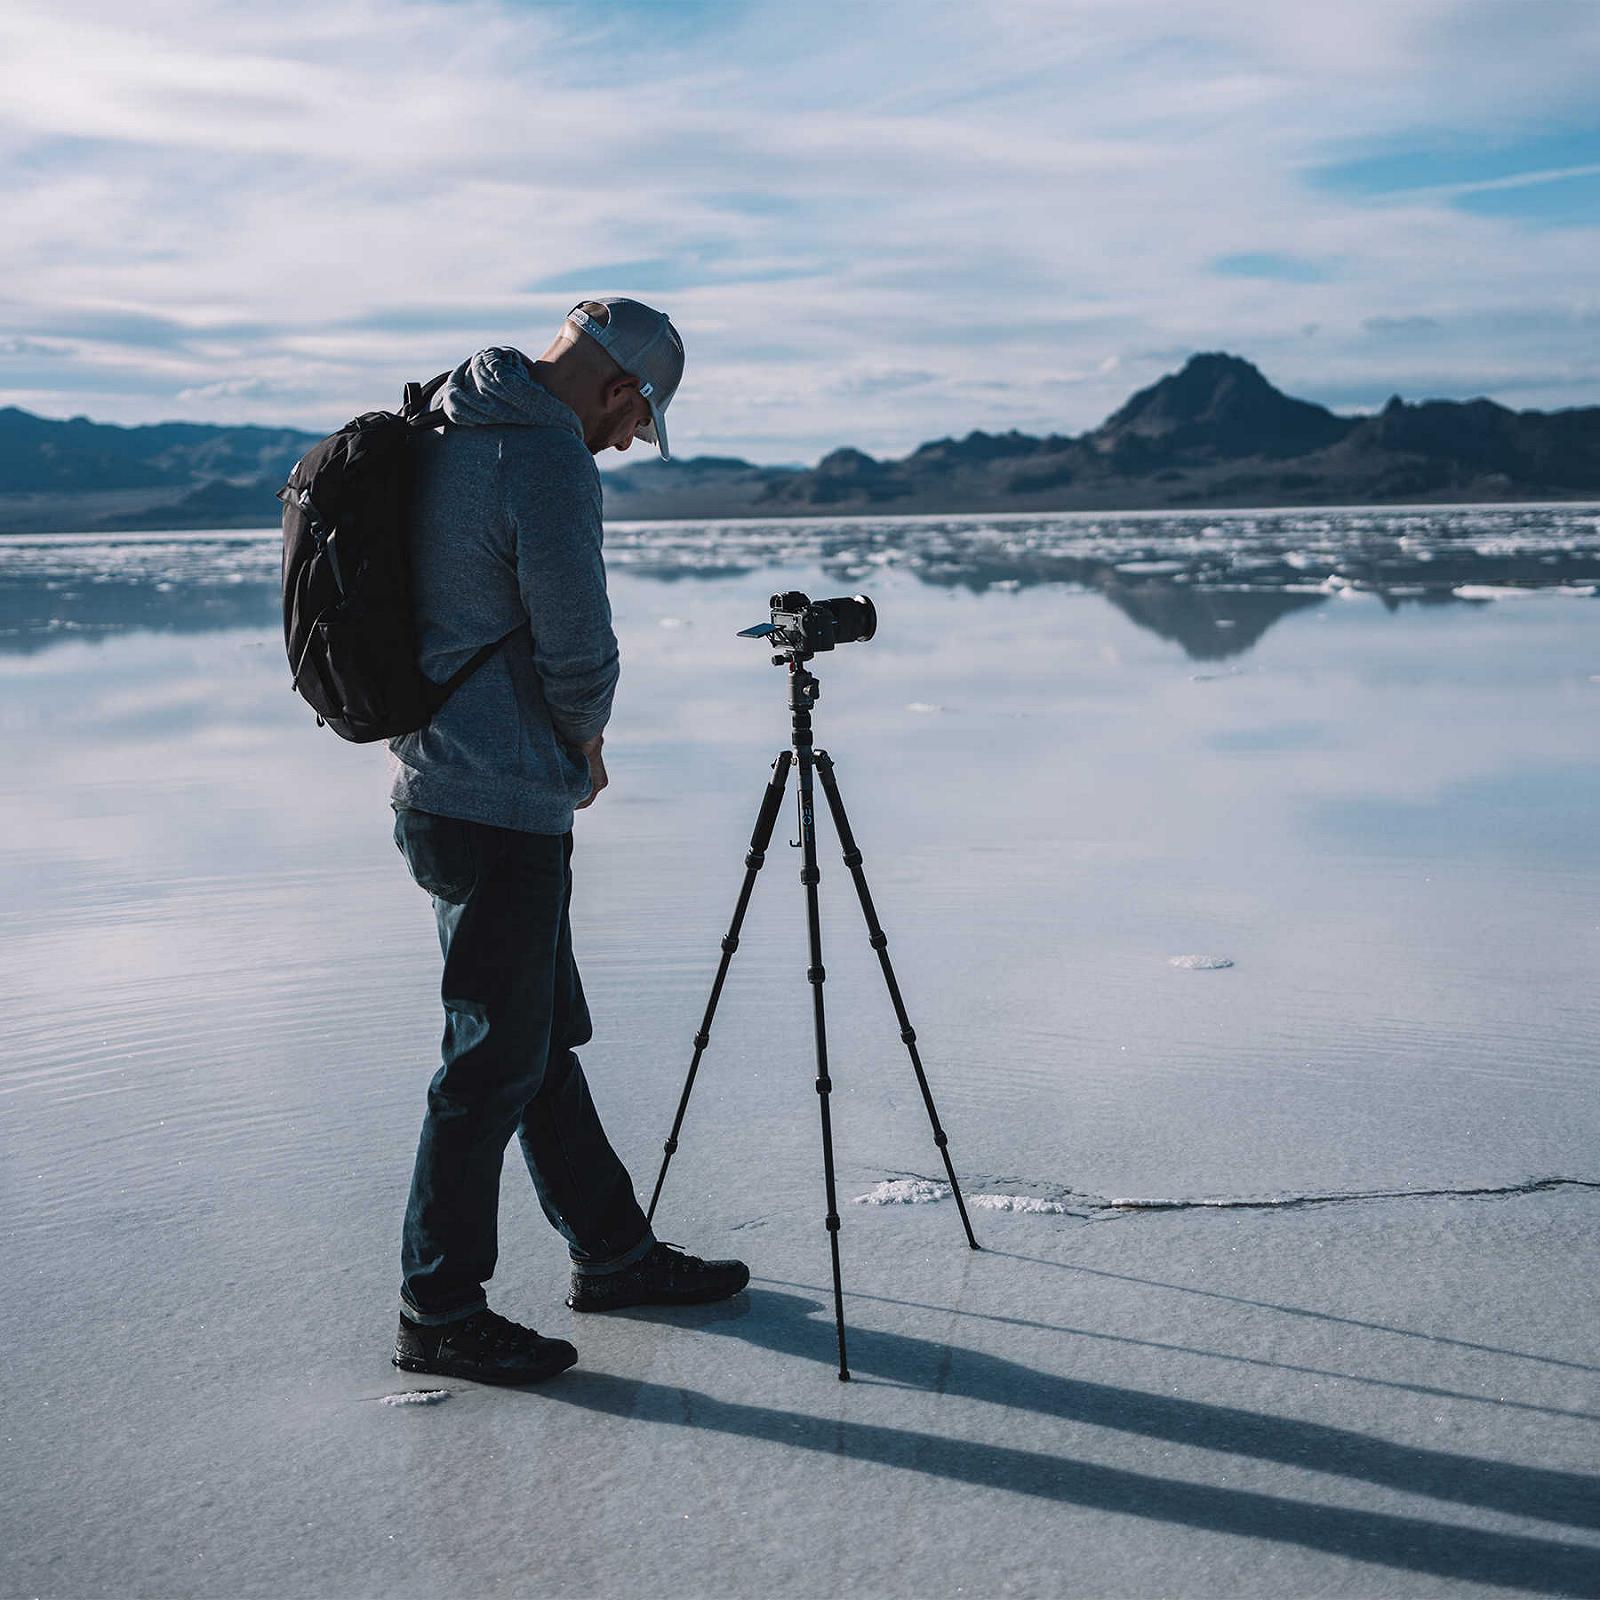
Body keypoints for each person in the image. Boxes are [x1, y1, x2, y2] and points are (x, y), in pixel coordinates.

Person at [387, 298, 748, 1386]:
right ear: (618, 387)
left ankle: (614, 1252)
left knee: (533, 1042)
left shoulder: (448, 424)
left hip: (441, 784)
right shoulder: (541, 459)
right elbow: (577, 642)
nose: (630, 441)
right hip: (498, 798)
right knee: (490, 1059)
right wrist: (584, 742)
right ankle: (439, 1309)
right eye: (638, 419)